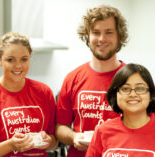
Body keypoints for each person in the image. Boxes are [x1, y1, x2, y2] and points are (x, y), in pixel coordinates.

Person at [55, 5, 128, 157]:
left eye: (109, 32)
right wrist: (74, 137)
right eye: (96, 32)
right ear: (87, 36)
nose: (102, 39)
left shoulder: (133, 79)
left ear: (119, 36)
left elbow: (148, 127)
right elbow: (60, 127)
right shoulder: (72, 79)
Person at [0, 32, 58, 157]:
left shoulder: (44, 93)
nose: (18, 66)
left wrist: (48, 142)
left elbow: (54, 141)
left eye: (24, 59)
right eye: (10, 60)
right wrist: (10, 145)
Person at [86, 63, 155, 157]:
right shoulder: (102, 131)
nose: (133, 94)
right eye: (125, 89)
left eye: (140, 89)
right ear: (115, 94)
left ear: (150, 94)